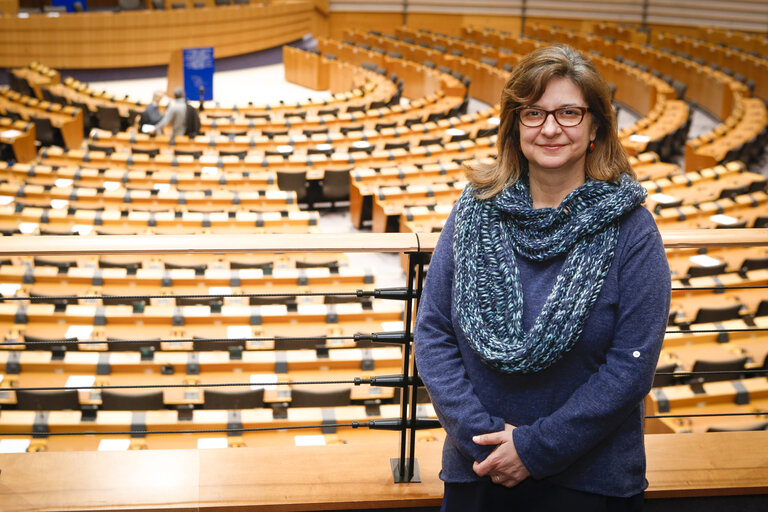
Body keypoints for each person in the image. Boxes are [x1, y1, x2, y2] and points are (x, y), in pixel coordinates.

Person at [414, 44, 671, 512]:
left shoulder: (633, 230)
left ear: (596, 127)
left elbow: (631, 367)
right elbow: (432, 332)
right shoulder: (473, 213)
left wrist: (534, 449)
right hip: (479, 470)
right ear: (514, 127)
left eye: (569, 112)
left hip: (591, 482)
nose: (550, 128)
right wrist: (487, 444)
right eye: (534, 113)